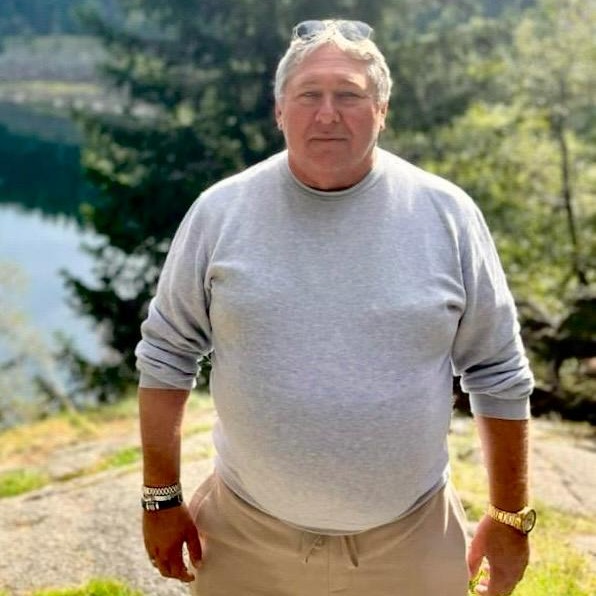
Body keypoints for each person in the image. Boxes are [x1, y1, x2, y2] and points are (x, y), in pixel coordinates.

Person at [135, 19, 535, 596]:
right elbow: (166, 355)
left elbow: (497, 370)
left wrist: (509, 516)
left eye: (349, 95)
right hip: (244, 539)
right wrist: (160, 497)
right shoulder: (219, 213)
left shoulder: (448, 215)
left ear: (381, 110)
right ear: (280, 110)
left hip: (413, 541)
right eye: (309, 95)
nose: (327, 114)